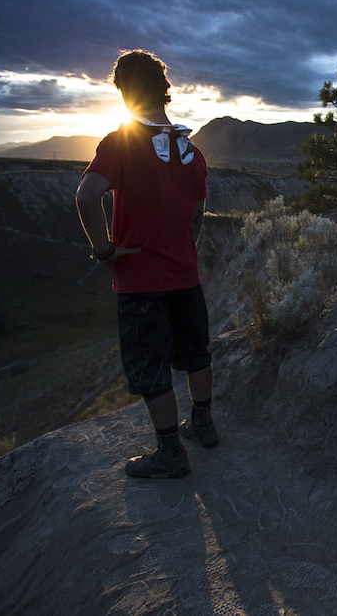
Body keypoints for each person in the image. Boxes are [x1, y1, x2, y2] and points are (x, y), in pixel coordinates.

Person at [76, 49, 218, 479]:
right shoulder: (193, 152)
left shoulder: (121, 142)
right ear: (164, 92)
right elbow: (196, 216)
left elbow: (86, 196)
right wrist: (181, 250)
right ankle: (204, 426)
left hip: (140, 281)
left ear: (123, 92)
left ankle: (171, 454)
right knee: (195, 353)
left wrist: (104, 252)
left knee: (150, 366)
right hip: (184, 274)